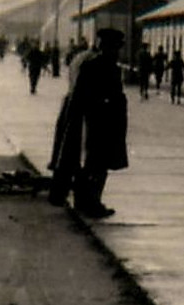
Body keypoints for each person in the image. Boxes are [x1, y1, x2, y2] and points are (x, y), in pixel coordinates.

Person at [47, 27, 129, 218]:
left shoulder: (89, 60)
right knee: (96, 163)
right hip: (97, 120)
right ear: (107, 47)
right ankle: (90, 203)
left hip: (91, 118)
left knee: (89, 162)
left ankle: (85, 201)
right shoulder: (98, 65)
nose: (117, 52)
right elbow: (93, 95)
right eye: (115, 48)